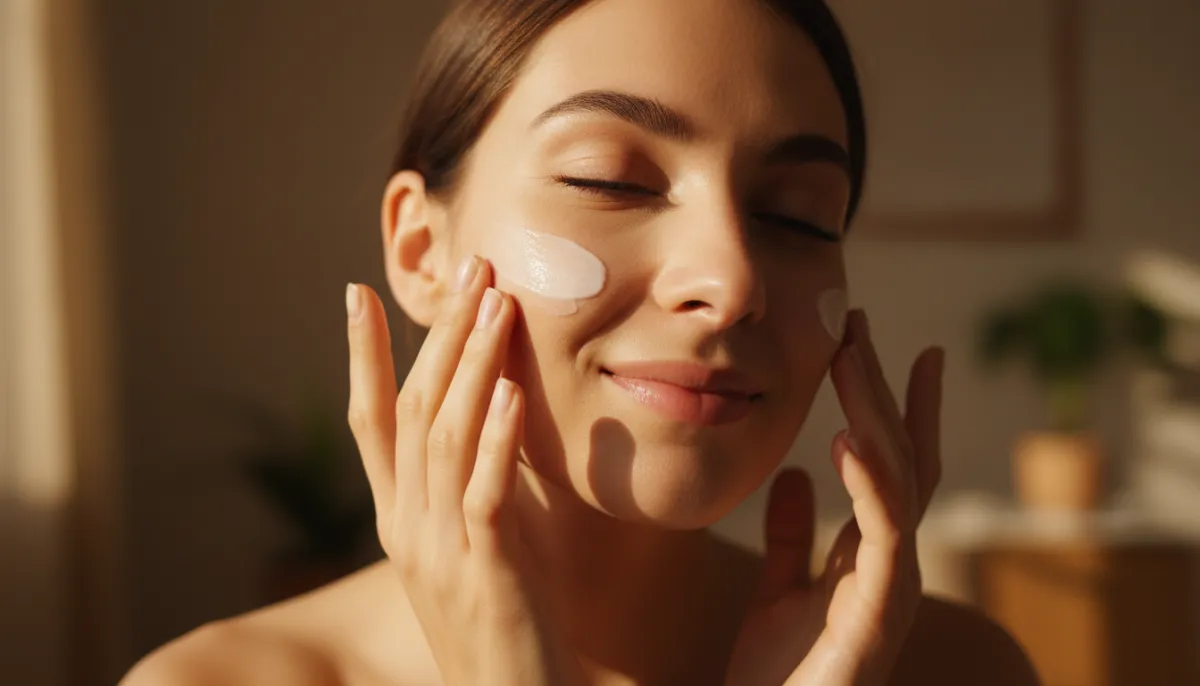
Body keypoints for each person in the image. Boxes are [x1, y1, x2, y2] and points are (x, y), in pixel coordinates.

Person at [123, 0, 1040, 684]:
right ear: (420, 250)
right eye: (610, 181)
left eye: (796, 217)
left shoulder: (952, 668)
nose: (729, 284)